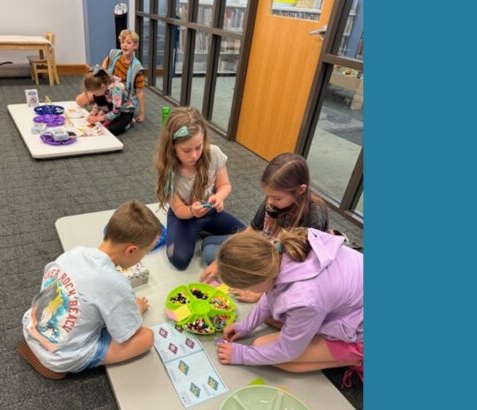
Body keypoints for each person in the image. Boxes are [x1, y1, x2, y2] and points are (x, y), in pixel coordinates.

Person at [18, 201, 162, 380]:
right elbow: (128, 332)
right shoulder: (117, 285)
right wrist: (138, 308)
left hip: (32, 329)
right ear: (131, 250)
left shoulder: (74, 253)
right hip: (59, 356)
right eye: (145, 252)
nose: (144, 257)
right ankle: (64, 361)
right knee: (147, 337)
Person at [214, 228, 363, 386]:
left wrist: (241, 355)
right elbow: (271, 292)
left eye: (248, 287)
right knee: (277, 317)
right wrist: (245, 326)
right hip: (353, 301)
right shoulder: (278, 251)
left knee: (268, 351)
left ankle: (356, 358)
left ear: (257, 280)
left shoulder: (304, 297)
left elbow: (288, 351)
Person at [200, 152, 331, 302]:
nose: (270, 201)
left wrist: (260, 292)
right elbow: (252, 230)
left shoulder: (314, 215)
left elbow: (301, 267)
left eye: (276, 198)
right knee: (209, 246)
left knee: (210, 252)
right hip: (267, 246)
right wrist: (219, 262)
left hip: (284, 263)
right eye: (268, 195)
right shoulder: (274, 199)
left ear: (301, 190)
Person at [154, 106, 245, 270]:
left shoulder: (213, 153)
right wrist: (192, 212)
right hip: (183, 215)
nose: (194, 155)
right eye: (187, 150)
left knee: (246, 235)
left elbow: (225, 185)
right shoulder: (168, 170)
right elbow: (179, 209)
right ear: (172, 147)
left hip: (210, 212)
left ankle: (207, 238)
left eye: (198, 147)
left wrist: (219, 197)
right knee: (179, 260)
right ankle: (200, 233)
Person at [77, 29, 146, 124]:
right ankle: (103, 108)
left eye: (128, 43)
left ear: (135, 46)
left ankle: (109, 110)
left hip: (122, 94)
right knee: (79, 101)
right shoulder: (115, 54)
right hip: (107, 87)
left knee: (114, 119)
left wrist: (142, 113)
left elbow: (140, 93)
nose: (125, 45)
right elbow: (105, 61)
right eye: (122, 42)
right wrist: (102, 74)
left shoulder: (137, 69)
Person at [80, 67, 136, 135]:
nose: (95, 95)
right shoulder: (102, 88)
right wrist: (93, 112)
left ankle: (129, 123)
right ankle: (108, 116)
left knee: (112, 130)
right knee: (101, 124)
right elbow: (98, 103)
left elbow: (116, 112)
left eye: (96, 93)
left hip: (125, 111)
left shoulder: (117, 89)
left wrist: (98, 118)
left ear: (102, 86)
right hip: (112, 105)